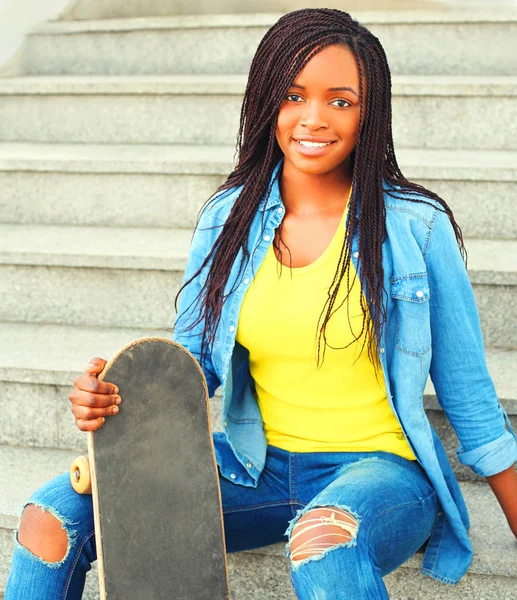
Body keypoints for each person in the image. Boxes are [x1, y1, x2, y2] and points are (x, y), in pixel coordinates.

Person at [5, 8, 517, 600]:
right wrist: (122, 394)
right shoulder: (228, 219)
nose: (314, 118)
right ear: (265, 101)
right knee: (50, 519)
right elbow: (192, 365)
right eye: (294, 95)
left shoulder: (415, 228)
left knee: (324, 539)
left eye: (341, 101)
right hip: (255, 466)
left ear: (369, 113)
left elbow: (473, 405)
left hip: (380, 474)